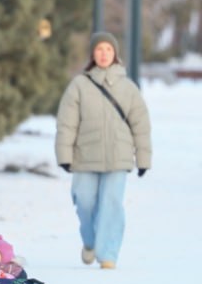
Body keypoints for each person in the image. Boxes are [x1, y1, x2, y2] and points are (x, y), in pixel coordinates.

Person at [54, 31, 152, 269]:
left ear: (115, 54)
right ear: (93, 54)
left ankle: (107, 252)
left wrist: (143, 158)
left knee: (111, 202)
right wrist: (64, 156)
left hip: (118, 156)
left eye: (109, 49)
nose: (104, 54)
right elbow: (67, 123)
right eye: (100, 49)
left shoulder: (128, 87)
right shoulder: (79, 85)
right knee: (85, 201)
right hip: (85, 156)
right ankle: (90, 241)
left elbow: (141, 124)